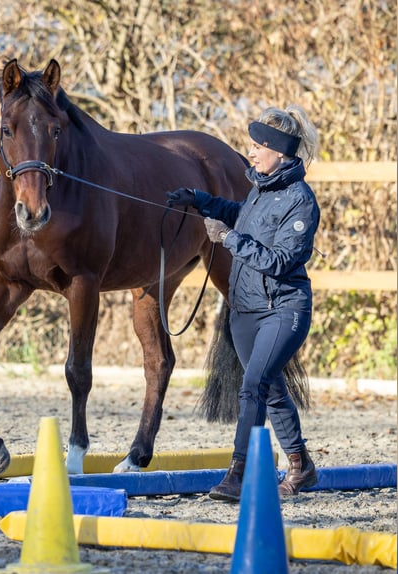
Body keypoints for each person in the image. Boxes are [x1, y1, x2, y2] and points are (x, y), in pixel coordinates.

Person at [166, 105, 321, 501]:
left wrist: (228, 239)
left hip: (283, 309)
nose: (250, 153)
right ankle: (301, 466)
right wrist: (199, 199)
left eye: (257, 147)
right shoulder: (260, 190)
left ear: (279, 152)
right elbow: (241, 216)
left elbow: (282, 261)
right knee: (269, 390)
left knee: (253, 385)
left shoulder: (300, 201)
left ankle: (238, 473)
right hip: (246, 309)